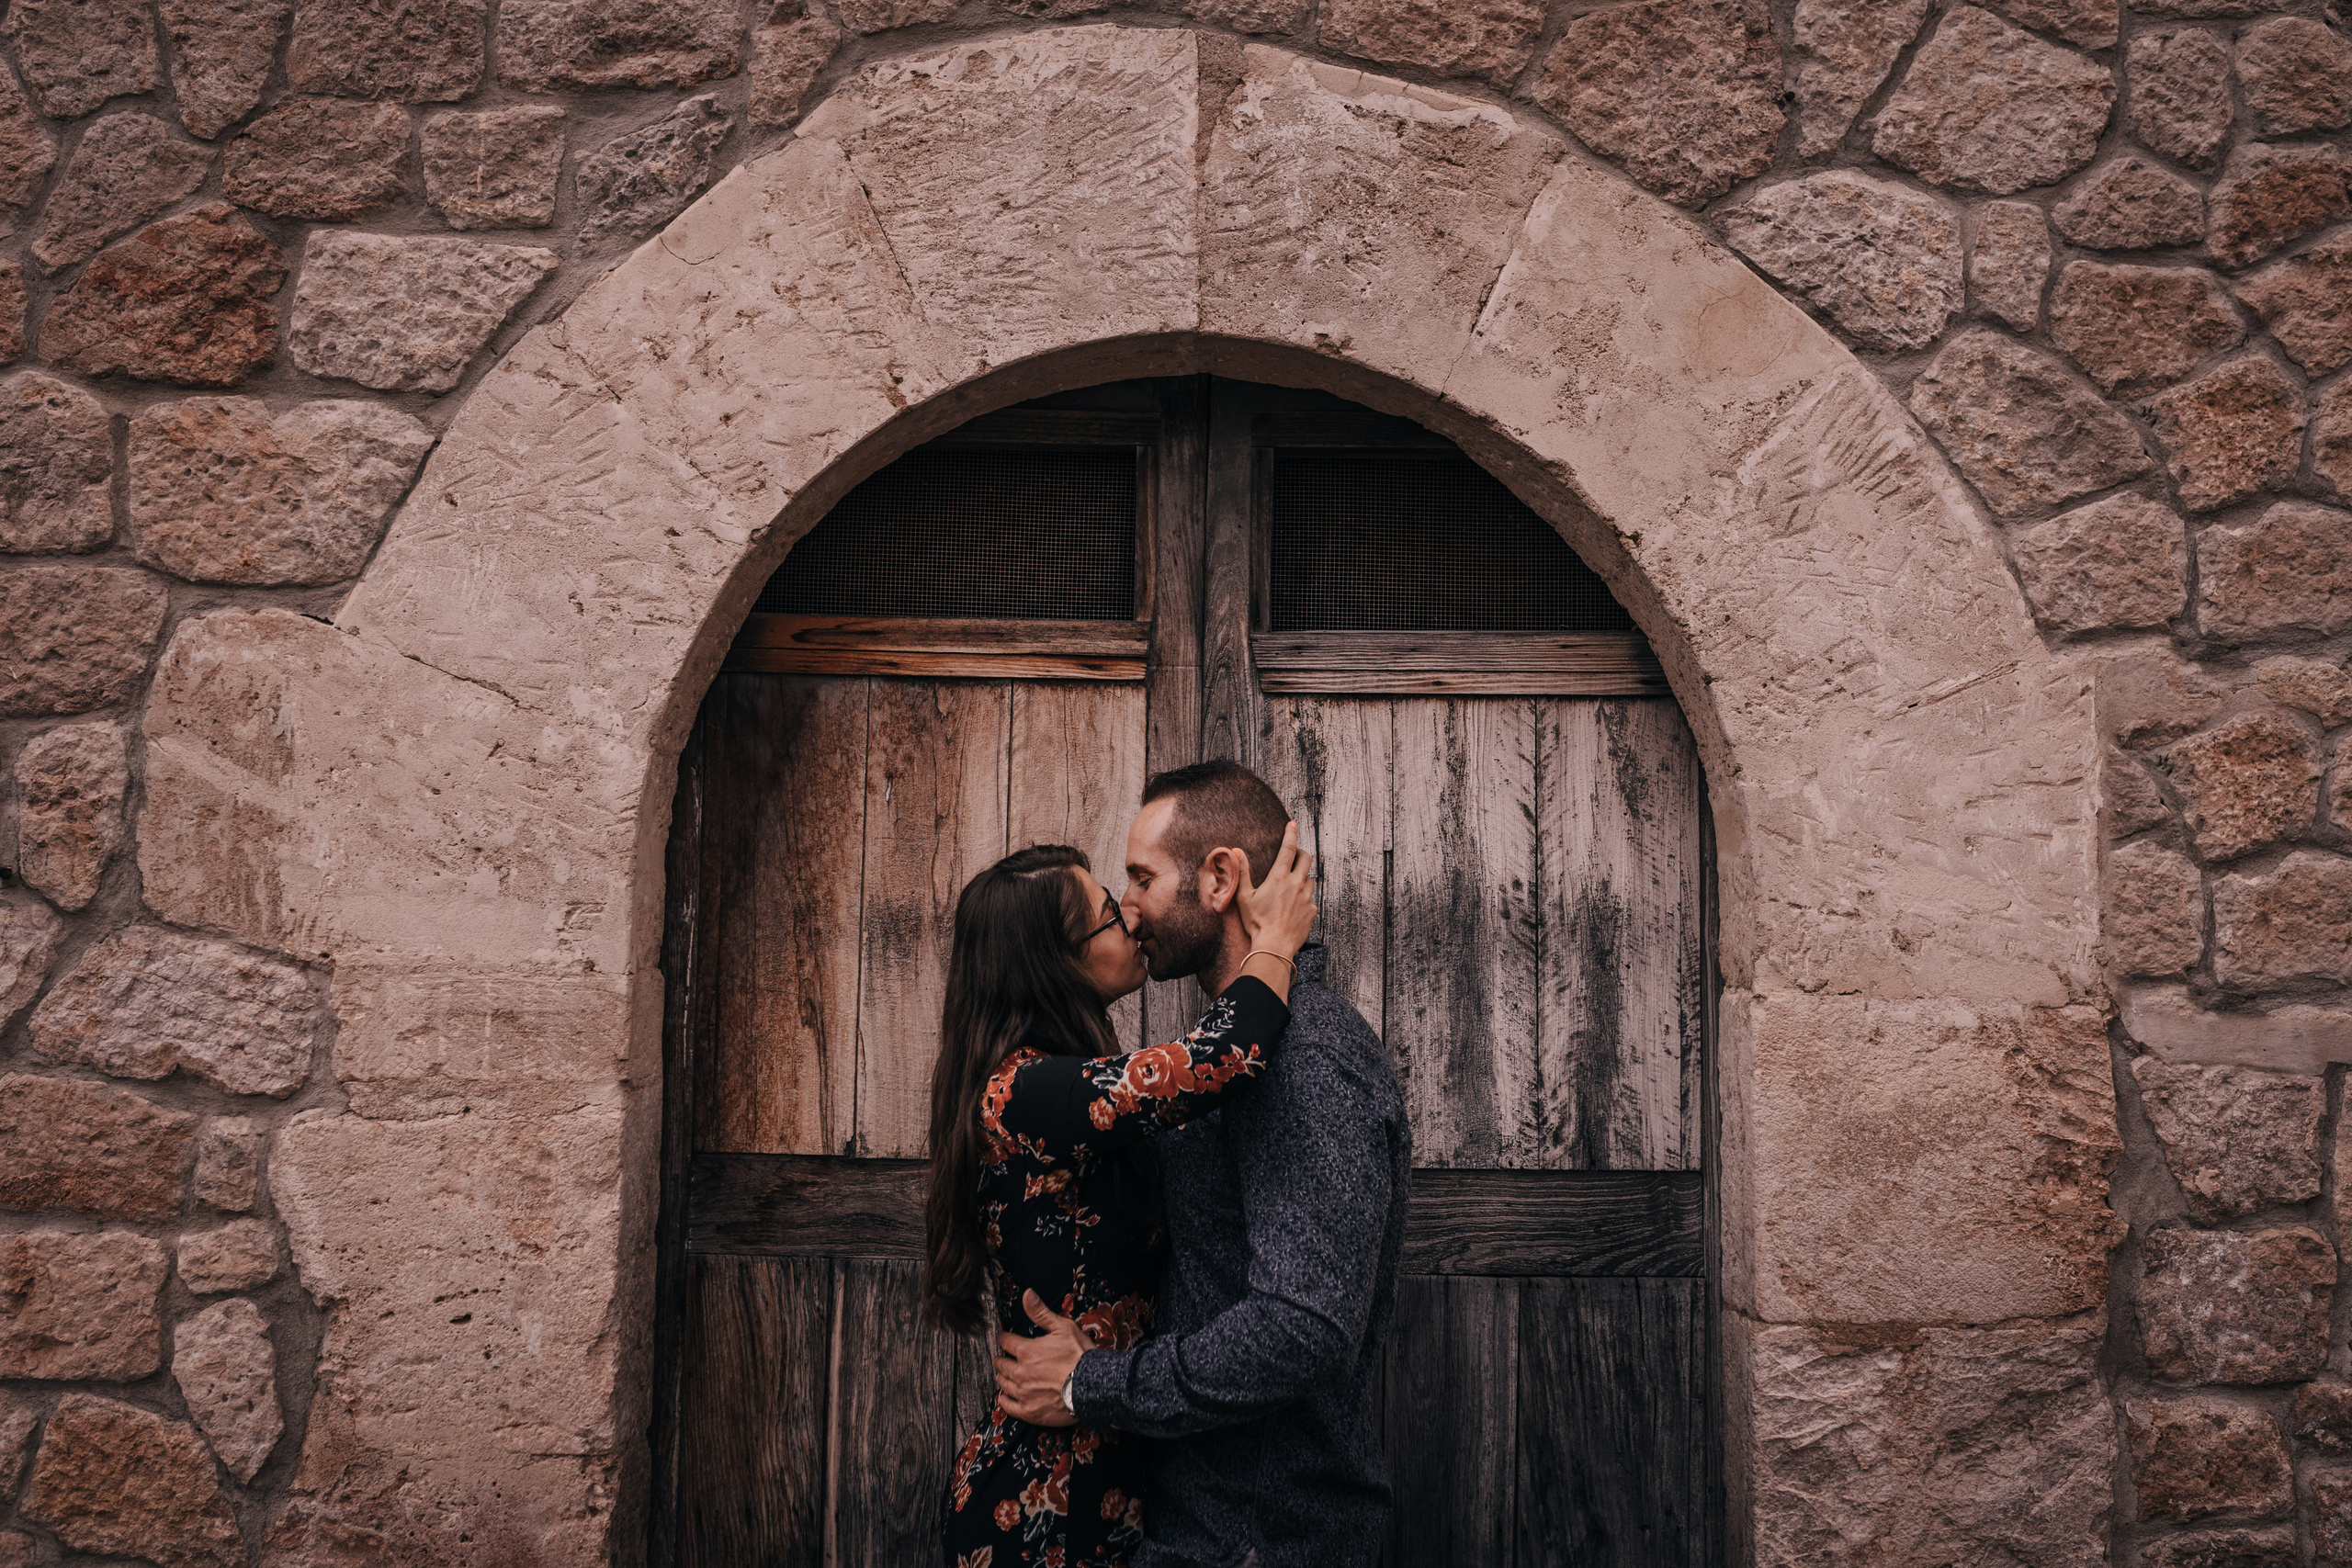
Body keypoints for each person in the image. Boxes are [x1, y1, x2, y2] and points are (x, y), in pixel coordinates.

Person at [995, 760, 1412, 1568]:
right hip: (1201, 1524)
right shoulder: (1227, 1056)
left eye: (1142, 878)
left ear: (1219, 879)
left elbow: (1303, 1328)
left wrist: (1094, 1382)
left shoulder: (1305, 1058)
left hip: (1260, 1538)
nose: (1128, 907)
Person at [925, 827, 1319, 1568]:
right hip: (1039, 1508)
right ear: (1056, 961)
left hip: (1107, 1476)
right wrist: (1276, 941)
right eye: (1110, 912)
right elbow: (1222, 1057)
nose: (1133, 917)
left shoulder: (1064, 1084)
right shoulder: (1023, 1092)